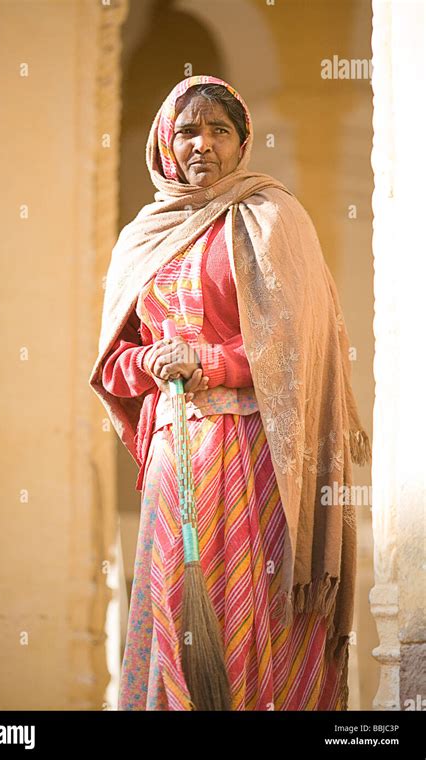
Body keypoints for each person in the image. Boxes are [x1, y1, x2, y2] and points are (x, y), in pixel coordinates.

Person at [89, 74, 371, 711]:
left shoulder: (272, 216)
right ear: (165, 143)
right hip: (176, 454)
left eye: (220, 130)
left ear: (243, 143)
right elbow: (112, 365)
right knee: (177, 608)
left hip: (256, 450)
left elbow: (298, 345)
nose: (202, 144)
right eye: (187, 131)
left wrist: (208, 360)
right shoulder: (144, 236)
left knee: (254, 610)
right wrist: (152, 363)